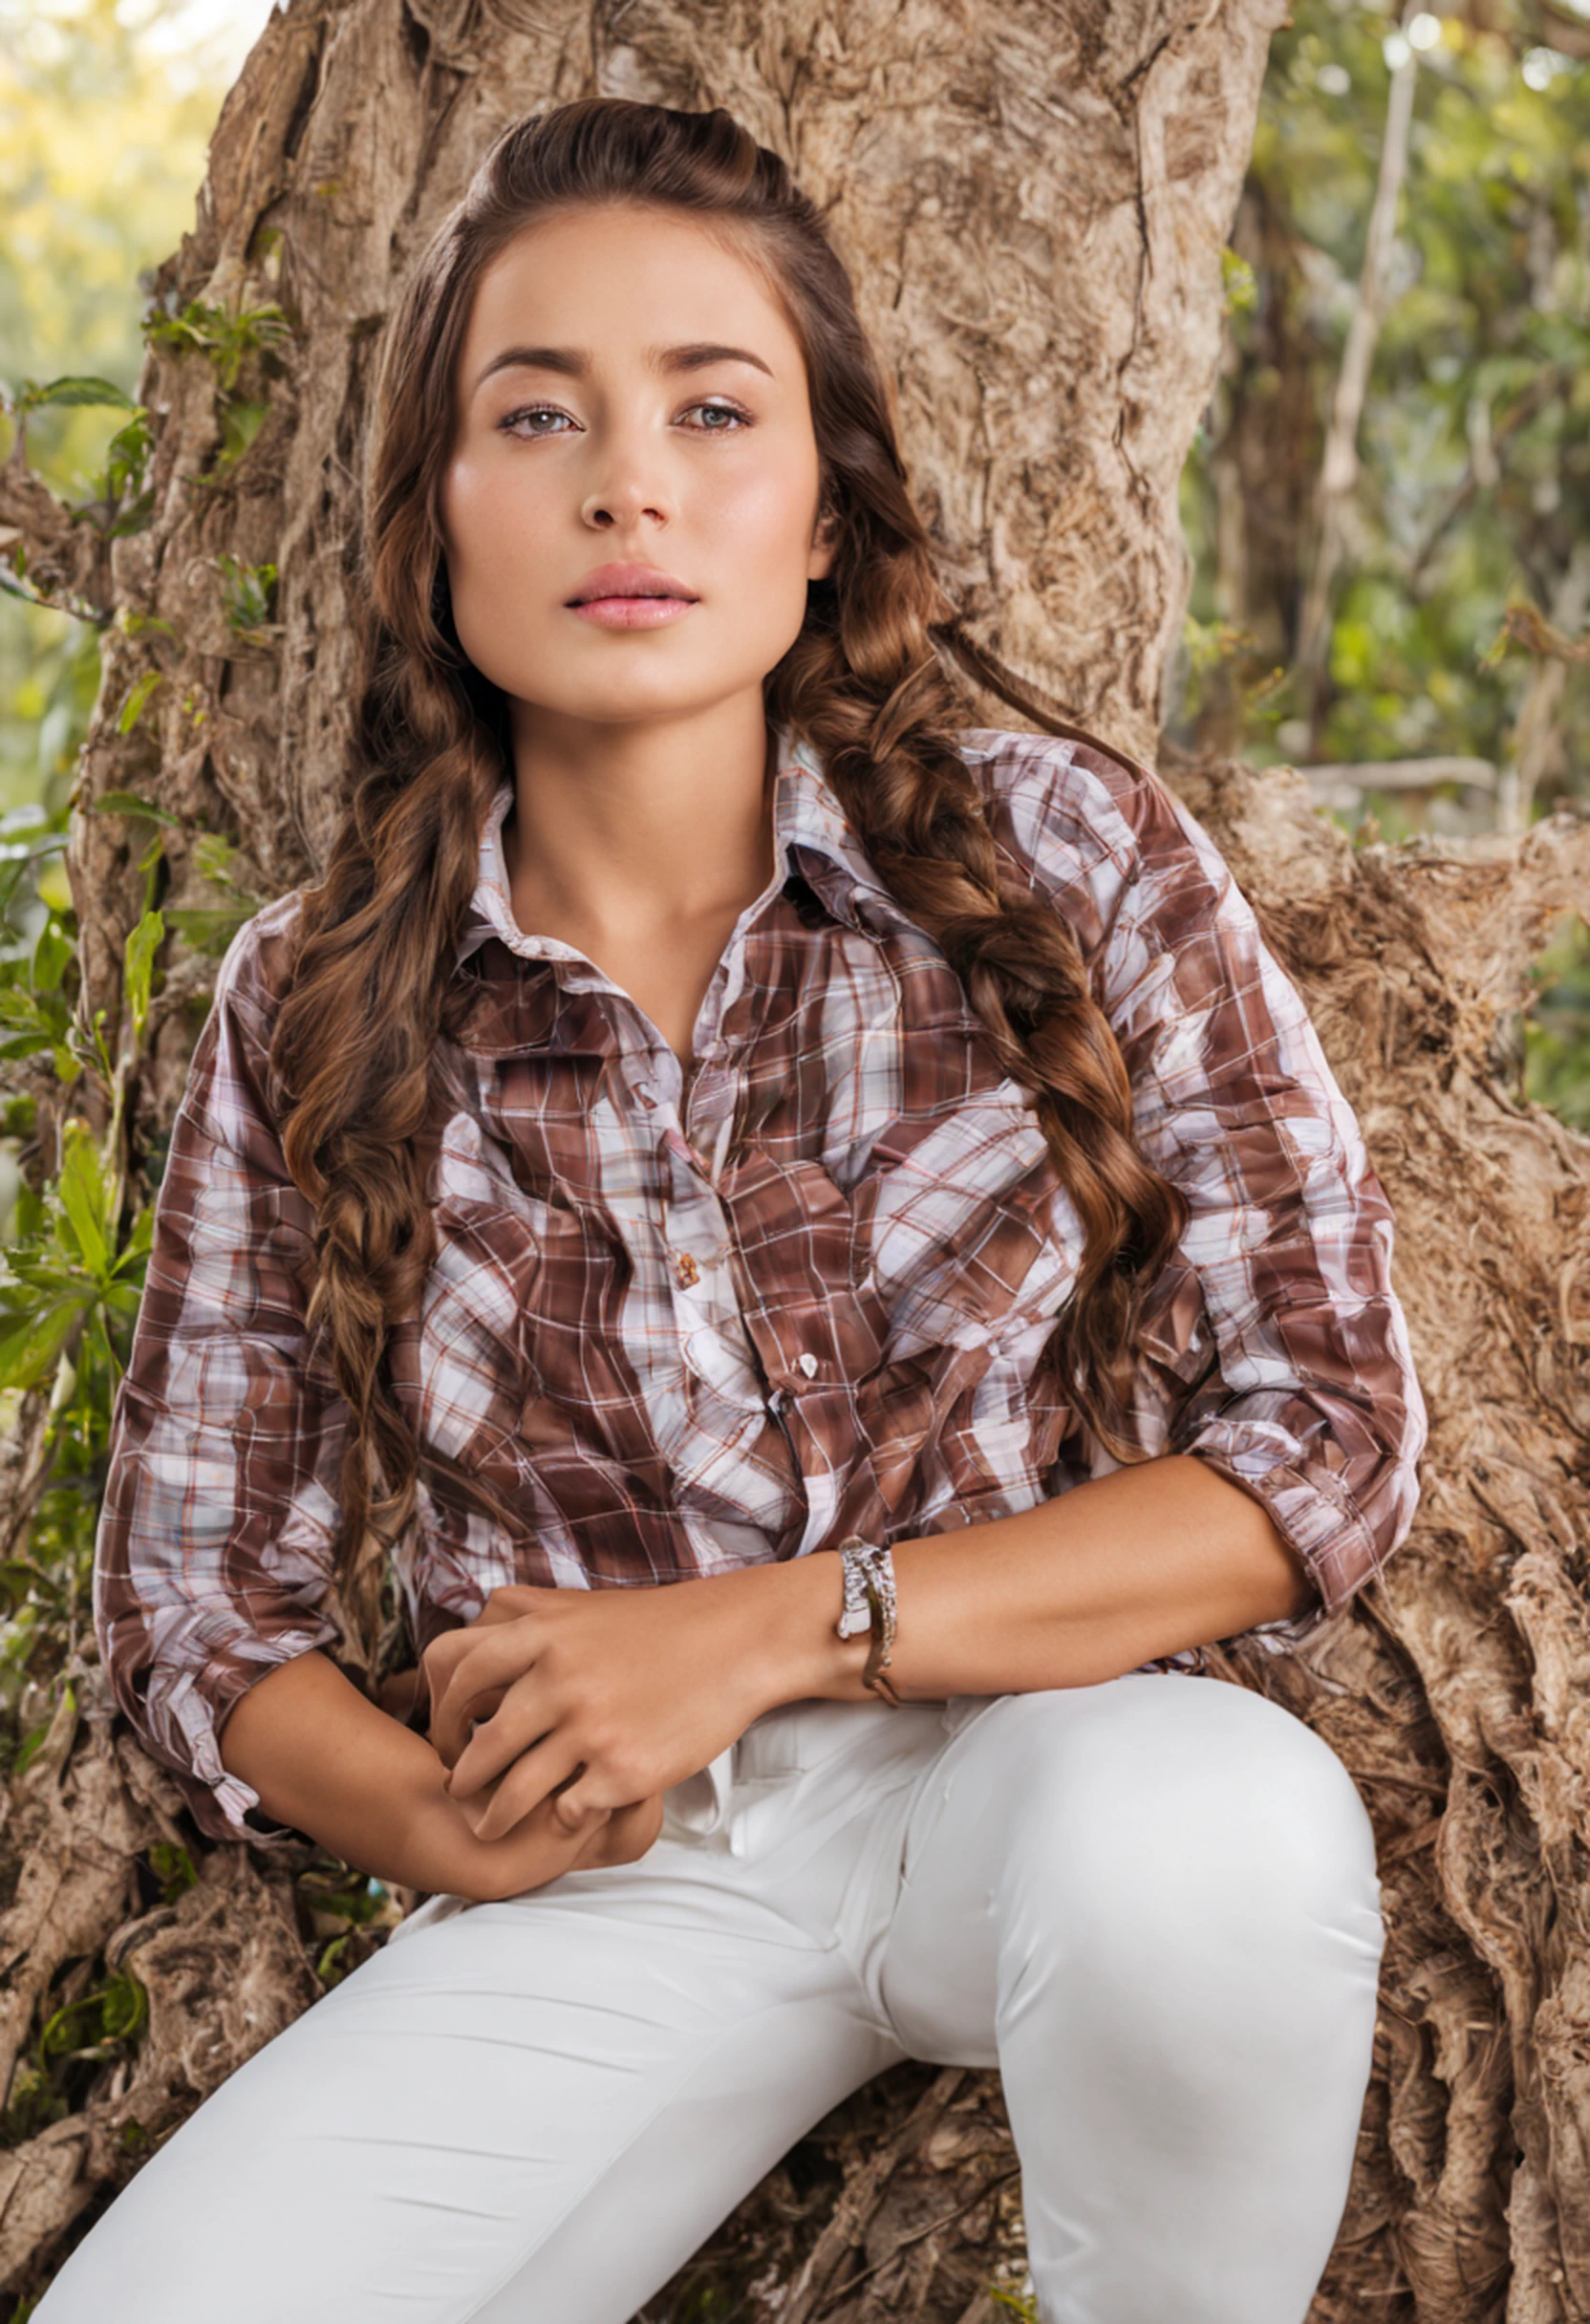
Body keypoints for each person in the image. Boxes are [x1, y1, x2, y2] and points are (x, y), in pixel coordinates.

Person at [43, 97, 1425, 2324]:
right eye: (538, 413)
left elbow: (1328, 1433)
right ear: (434, 526)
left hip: (1046, 1758)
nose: (630, 483)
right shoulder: (310, 997)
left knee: (1214, 1849)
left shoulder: (1059, 856)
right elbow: (204, 1597)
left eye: (712, 405)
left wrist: (771, 1628)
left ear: (818, 512)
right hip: (619, 1879)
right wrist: (430, 1823)